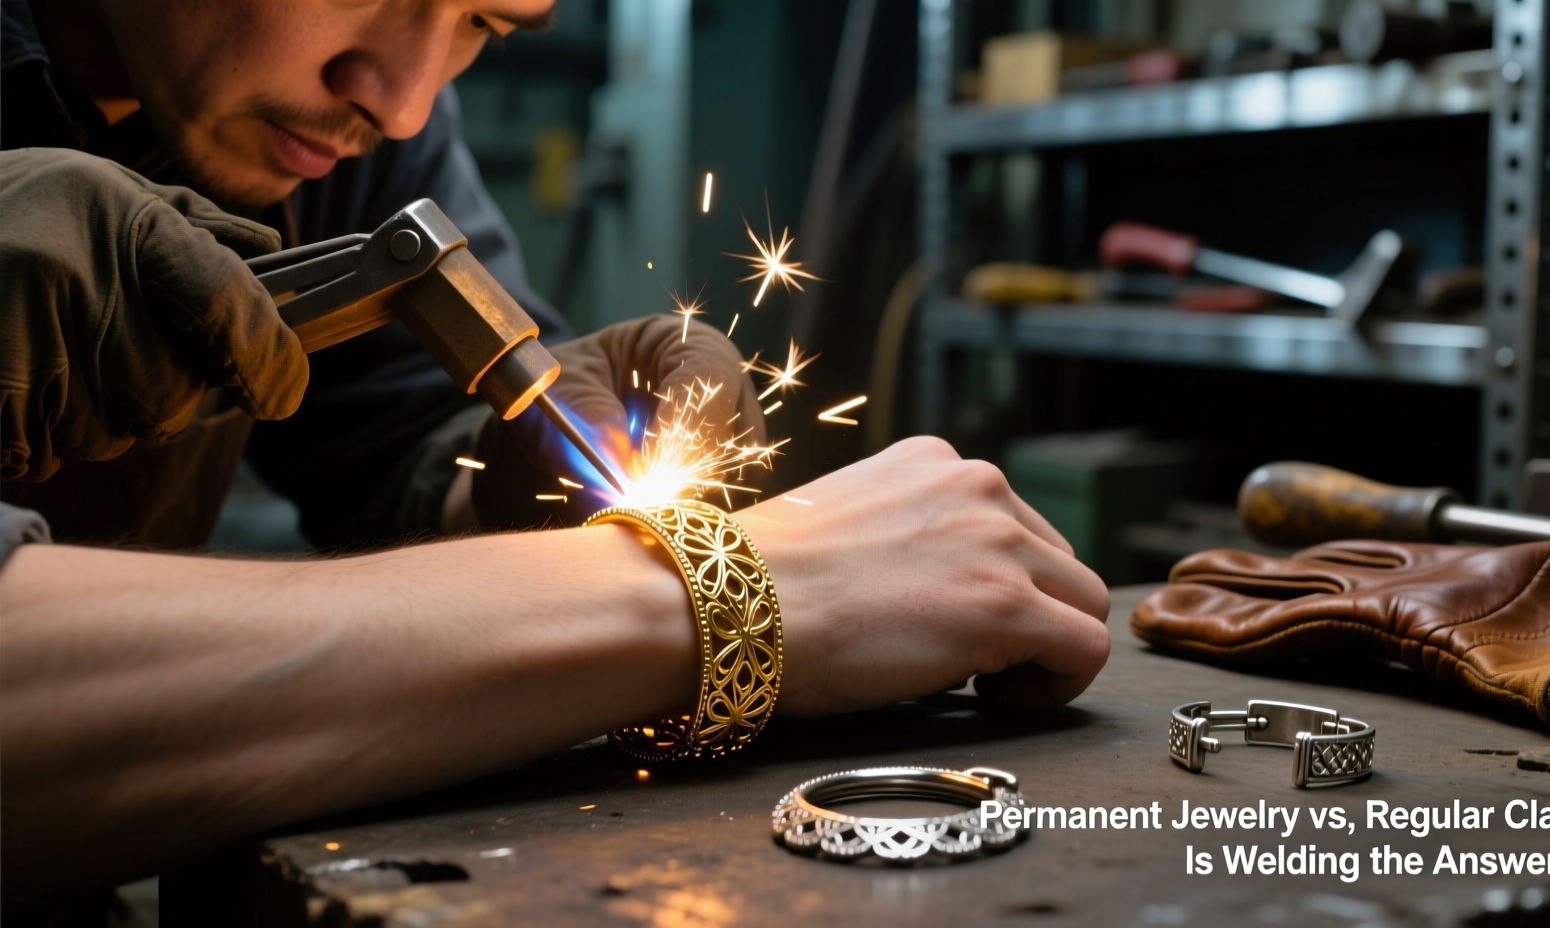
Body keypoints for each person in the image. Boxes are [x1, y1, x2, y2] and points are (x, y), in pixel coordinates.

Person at [0, 0, 1113, 913]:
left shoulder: (323, 121)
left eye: (485, 23)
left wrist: (500, 480)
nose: (398, 102)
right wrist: (724, 600)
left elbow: (395, 448)